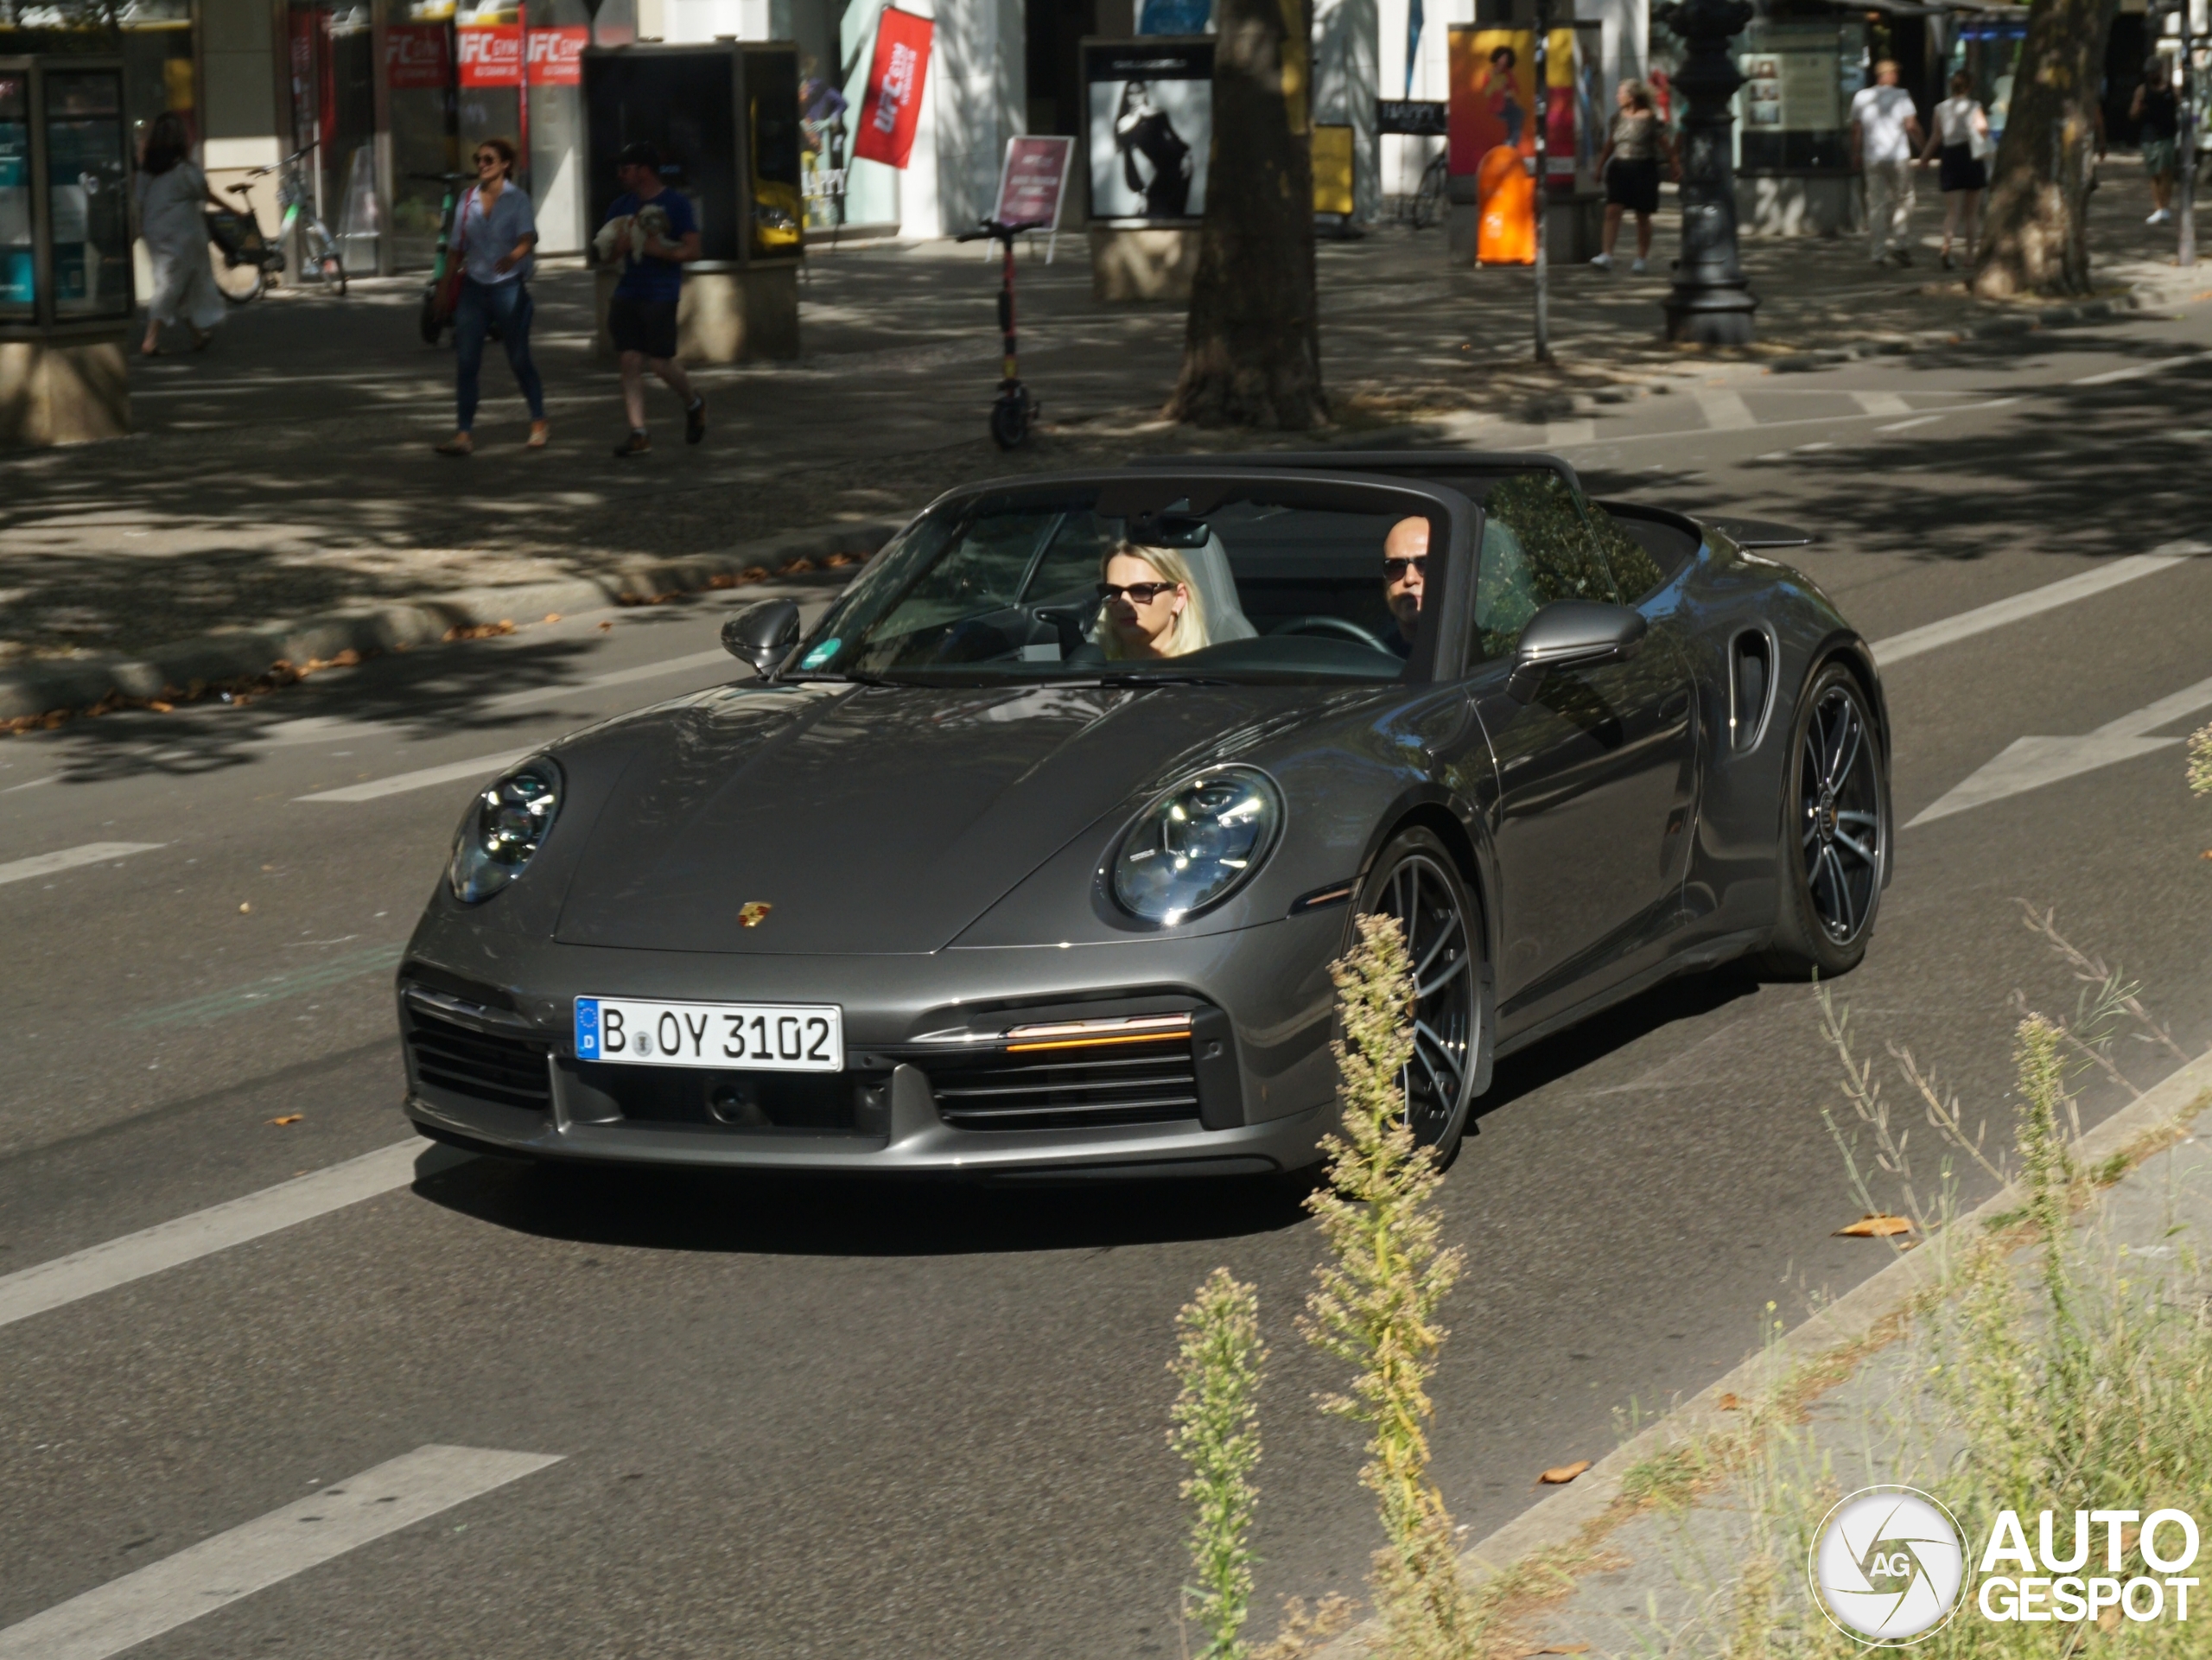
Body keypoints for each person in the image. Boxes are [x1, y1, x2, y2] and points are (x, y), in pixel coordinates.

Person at [434, 137, 546, 456]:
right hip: (474, 287)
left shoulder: (517, 199)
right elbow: (456, 249)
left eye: (489, 159)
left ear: (505, 164)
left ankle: (539, 422)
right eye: (478, 159)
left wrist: (514, 256)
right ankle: (463, 434)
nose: (482, 165)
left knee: (518, 358)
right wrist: (443, 289)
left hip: (508, 287)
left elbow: (529, 237)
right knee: (467, 361)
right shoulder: (467, 199)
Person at [599, 141, 705, 457]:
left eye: (626, 169)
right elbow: (607, 257)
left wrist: (662, 251)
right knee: (629, 360)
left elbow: (694, 249)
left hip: (660, 293)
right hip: (628, 291)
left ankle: (694, 402)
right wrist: (617, 248)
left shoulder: (676, 204)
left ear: (644, 171)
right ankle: (638, 433)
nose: (620, 175)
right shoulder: (619, 207)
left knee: (660, 364)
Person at [133, 111, 228, 356]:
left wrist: (139, 228)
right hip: (182, 234)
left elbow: (139, 200)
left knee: (176, 283)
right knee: (171, 285)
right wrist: (234, 209)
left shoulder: (148, 169)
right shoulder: (185, 170)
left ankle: (197, 335)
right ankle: (150, 339)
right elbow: (204, 192)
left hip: (155, 232)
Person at [1591, 80, 1677, 274]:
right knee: (1613, 209)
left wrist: (1675, 164)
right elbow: (1610, 144)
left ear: (1631, 97)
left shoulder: (1650, 119)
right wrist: (1600, 166)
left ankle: (1641, 258)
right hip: (1620, 167)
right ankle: (1607, 255)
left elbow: (1665, 144)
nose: (1617, 97)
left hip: (1643, 168)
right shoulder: (1617, 118)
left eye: (1620, 94)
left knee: (1642, 215)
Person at [1851, 60, 1925, 267]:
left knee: (1876, 205)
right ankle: (1900, 242)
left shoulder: (1861, 97)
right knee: (1905, 200)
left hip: (1872, 157)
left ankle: (1878, 253)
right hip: (1898, 156)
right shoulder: (1901, 96)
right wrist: (1924, 148)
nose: (1897, 76)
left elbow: (1856, 129)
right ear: (1888, 74)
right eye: (1895, 73)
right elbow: (1911, 126)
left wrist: (1856, 153)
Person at [1918, 71, 1989, 270]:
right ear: (1969, 87)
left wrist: (1924, 158)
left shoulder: (1940, 108)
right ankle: (1969, 256)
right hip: (1971, 156)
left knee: (1952, 212)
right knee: (1972, 213)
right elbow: (1983, 128)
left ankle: (1946, 248)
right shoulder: (1974, 106)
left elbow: (1936, 136)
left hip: (1950, 157)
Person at [1097, 544, 1208, 660]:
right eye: (1113, 591)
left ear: (1179, 597)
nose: (1123, 603)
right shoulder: (1092, 669)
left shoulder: (1205, 673)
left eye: (1141, 590)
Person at [1113, 83, 1193, 218]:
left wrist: (1186, 156)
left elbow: (1173, 138)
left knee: (1174, 217)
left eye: (1138, 92)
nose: (1135, 97)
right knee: (1153, 216)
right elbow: (1130, 160)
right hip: (1157, 175)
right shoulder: (1123, 123)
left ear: (1145, 93)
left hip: (1179, 168)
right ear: (1126, 97)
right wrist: (1140, 192)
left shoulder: (1157, 113)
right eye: (1131, 93)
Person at [2133, 60, 2181, 226]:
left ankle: (2165, 207)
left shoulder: (2171, 89)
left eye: (2154, 71)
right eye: (2149, 72)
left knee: (2166, 171)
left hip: (2167, 136)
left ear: (2161, 71)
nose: (2151, 75)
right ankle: (2158, 208)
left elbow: (2180, 106)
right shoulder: (2142, 90)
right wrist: (2138, 108)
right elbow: (2132, 114)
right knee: (2154, 174)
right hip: (2149, 136)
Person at [1380, 517, 1427, 658]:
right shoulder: (1368, 659)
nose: (1410, 578)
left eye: (1425, 563)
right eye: (1396, 567)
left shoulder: (1480, 650)